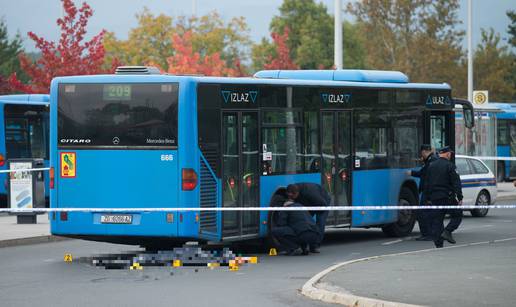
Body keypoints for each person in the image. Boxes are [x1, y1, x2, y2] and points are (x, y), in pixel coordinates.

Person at [425, 146, 463, 248]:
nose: (450, 155)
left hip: (435, 198)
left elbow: (427, 183)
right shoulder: (450, 166)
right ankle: (447, 231)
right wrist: (459, 197)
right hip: (447, 197)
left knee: (437, 221)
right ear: (447, 154)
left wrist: (428, 198)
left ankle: (438, 244)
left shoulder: (431, 166)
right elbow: (456, 183)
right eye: (450, 153)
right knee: (458, 215)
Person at [286, 183, 330, 253]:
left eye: (292, 197)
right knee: (303, 222)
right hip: (307, 203)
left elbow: (323, 205)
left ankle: (314, 246)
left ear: (297, 193)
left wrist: (310, 216)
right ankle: (304, 245)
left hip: (322, 202)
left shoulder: (311, 194)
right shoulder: (292, 189)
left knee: (320, 223)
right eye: (289, 197)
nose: (291, 199)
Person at [408, 144, 438, 241]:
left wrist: (411, 173)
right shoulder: (431, 160)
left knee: (423, 214)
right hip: (429, 191)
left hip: (428, 192)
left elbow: (423, 173)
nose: (421, 155)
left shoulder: (431, 161)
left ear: (424, 151)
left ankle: (427, 234)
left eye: (422, 153)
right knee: (427, 213)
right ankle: (428, 234)